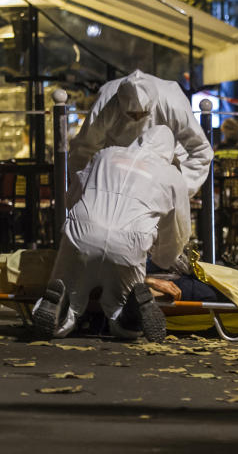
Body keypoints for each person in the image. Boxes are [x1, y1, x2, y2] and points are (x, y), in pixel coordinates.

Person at [33, 126, 191, 342]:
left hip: (81, 234)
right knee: (120, 316)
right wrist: (164, 258)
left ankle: (61, 305)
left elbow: (73, 195)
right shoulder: (172, 176)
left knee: (69, 290)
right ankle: (132, 313)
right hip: (129, 244)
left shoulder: (105, 154)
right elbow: (178, 229)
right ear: (169, 152)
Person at [69, 70, 213, 197]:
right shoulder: (106, 101)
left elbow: (201, 150)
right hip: (117, 175)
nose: (137, 119)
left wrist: (179, 189)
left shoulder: (173, 101)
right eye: (131, 115)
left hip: (166, 172)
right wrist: (84, 189)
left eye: (142, 114)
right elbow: (84, 148)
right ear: (120, 104)